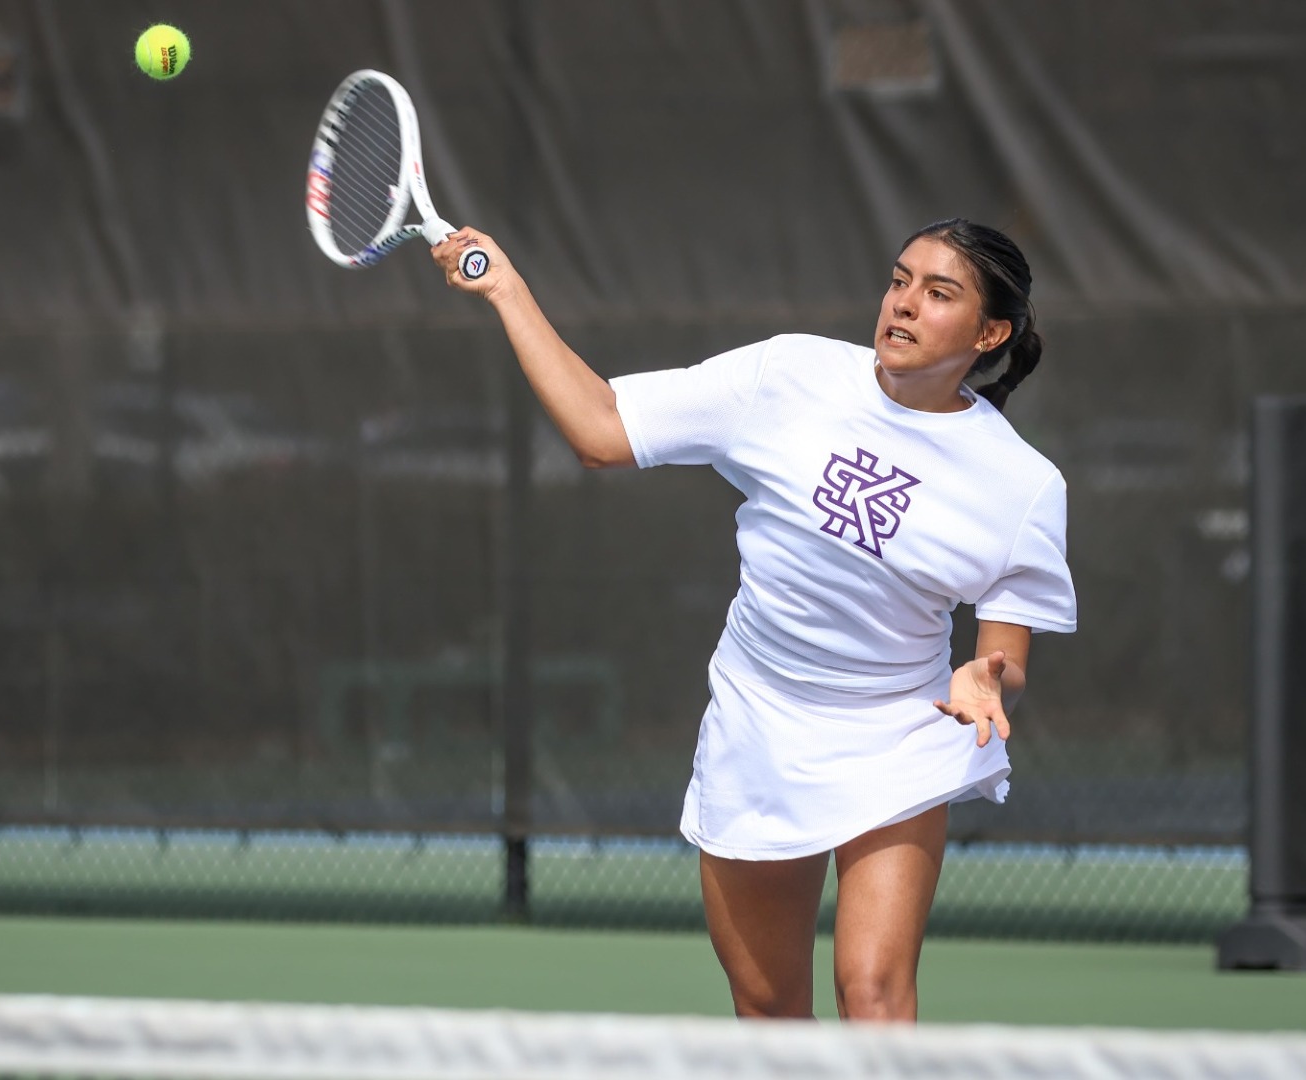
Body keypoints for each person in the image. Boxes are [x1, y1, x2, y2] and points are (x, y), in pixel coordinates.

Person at [430, 219, 1076, 1022]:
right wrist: (506, 288)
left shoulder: (1020, 483)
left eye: (939, 293)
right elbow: (601, 430)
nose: (904, 304)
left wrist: (987, 678)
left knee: (874, 992)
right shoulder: (787, 375)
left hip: (899, 730)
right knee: (769, 1007)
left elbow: (1003, 657)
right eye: (899, 280)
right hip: (759, 719)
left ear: (990, 333)